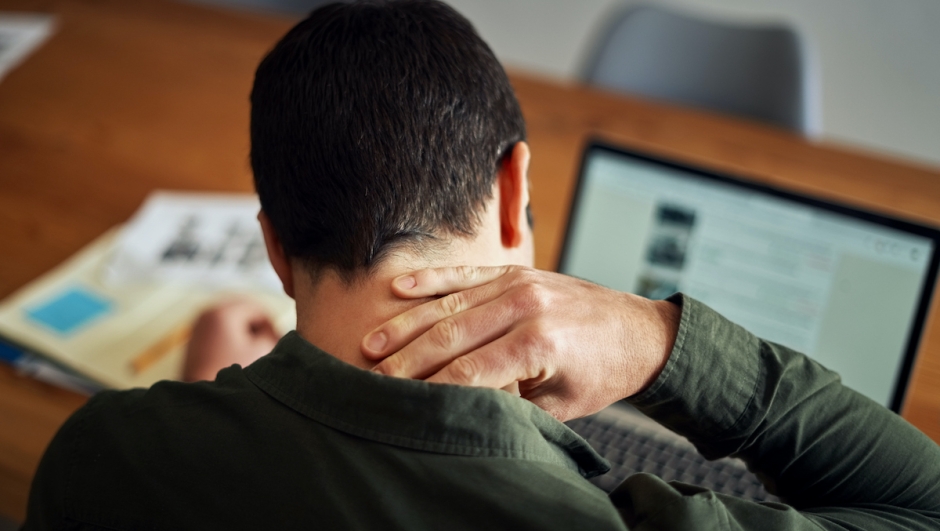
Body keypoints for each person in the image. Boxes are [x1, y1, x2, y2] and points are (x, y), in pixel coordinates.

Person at [24, 1, 940, 529]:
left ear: (274, 246)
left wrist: (202, 394)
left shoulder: (103, 457)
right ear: (514, 189)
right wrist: (660, 339)